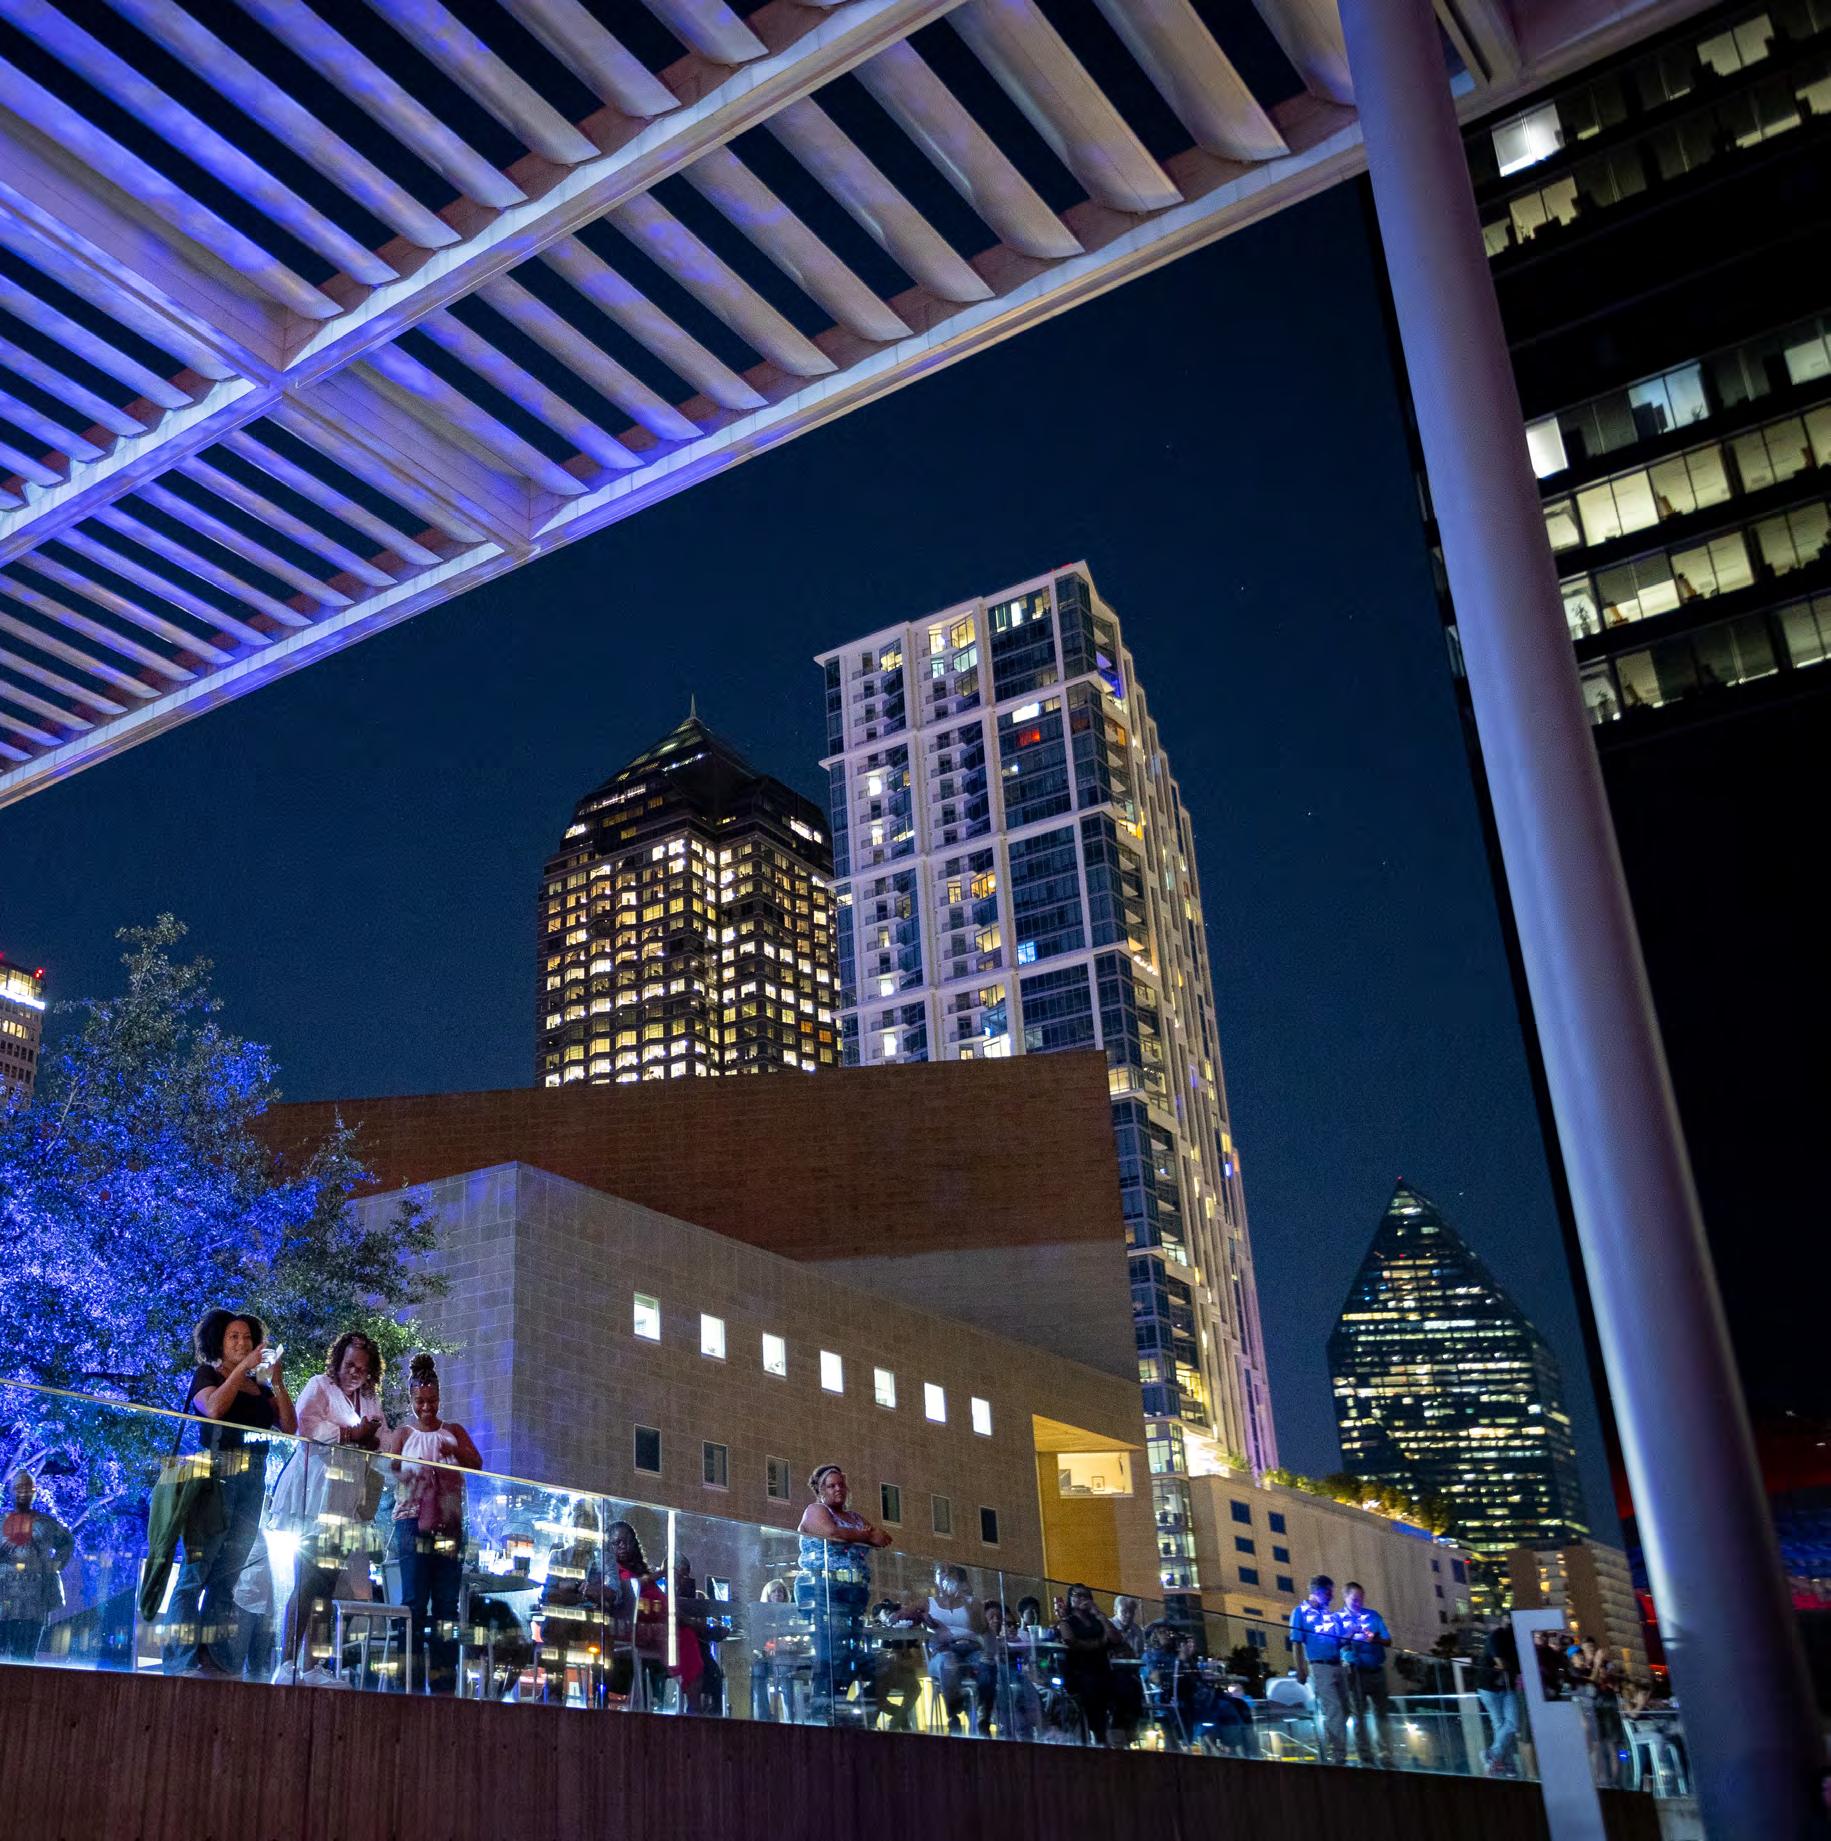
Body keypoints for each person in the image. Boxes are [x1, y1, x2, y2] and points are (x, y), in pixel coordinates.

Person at [167, 1308, 296, 1677]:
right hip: (215, 1477)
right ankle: (181, 1659)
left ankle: (214, 1658)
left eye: (247, 1338)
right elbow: (214, 1409)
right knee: (196, 1572)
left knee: (229, 1574)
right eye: (233, 1337)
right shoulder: (209, 1375)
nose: (242, 1344)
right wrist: (242, 1370)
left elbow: (289, 1426)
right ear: (219, 1342)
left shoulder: (261, 1388)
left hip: (253, 1481)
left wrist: (277, 1381)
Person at [277, 1330, 387, 1683]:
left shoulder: (369, 1400)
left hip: (345, 1505)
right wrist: (351, 1434)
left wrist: (370, 1440)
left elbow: (383, 1440)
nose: (355, 1372)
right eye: (350, 1364)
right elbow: (304, 1426)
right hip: (314, 1498)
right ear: (338, 1360)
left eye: (363, 1368)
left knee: (326, 1586)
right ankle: (286, 1663)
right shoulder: (319, 1386)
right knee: (307, 1582)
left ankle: (313, 1666)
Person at [383, 1353, 479, 1694]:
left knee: (446, 1604)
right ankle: (405, 1679)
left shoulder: (453, 1430)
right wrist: (415, 1474)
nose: (427, 1407)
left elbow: (476, 1462)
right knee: (414, 1599)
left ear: (440, 1398)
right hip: (411, 1521)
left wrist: (452, 1450)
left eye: (432, 1400)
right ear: (412, 1401)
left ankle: (443, 1680)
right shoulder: (403, 1434)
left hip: (449, 1522)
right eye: (420, 1401)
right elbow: (390, 1470)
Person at [796, 1463, 893, 1722]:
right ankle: (824, 1708)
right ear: (820, 1490)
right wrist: (864, 1536)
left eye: (841, 1484)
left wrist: (863, 1535)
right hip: (825, 1589)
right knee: (833, 1651)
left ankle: (849, 1708)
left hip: (855, 1593)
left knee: (854, 1653)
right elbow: (832, 1534)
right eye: (831, 1486)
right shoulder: (816, 1510)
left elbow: (881, 1538)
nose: (838, 1489)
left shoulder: (856, 1518)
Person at [0, 1473, 73, 1662]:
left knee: (25, 1660)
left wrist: (54, 1566)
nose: (24, 1492)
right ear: (11, 1491)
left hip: (33, 1601)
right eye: (19, 1487)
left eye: (29, 1488)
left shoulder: (46, 1523)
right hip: (3, 1598)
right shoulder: (0, 1523)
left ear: (35, 1492)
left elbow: (66, 1542)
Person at [1052, 1582, 1135, 1746]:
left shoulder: (1097, 1621)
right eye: (1077, 1595)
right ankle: (1098, 1735)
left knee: (1129, 1684)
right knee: (1093, 1687)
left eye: (1085, 1595)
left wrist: (1099, 1614)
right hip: (1080, 1671)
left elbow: (1116, 1639)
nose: (1082, 1598)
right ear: (1070, 1599)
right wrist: (1100, 1642)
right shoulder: (1067, 1622)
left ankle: (1119, 1730)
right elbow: (1072, 1642)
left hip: (1102, 1668)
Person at [920, 1562, 994, 1732]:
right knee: (948, 1662)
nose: (946, 1575)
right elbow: (904, 1614)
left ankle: (984, 1717)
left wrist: (965, 1601)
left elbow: (982, 1628)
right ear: (935, 1578)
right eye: (941, 1571)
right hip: (943, 1650)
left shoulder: (972, 1602)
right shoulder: (928, 1603)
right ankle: (954, 1717)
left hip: (971, 1649)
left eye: (950, 1572)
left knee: (988, 1664)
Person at [1288, 1573, 1350, 1765]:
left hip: (1338, 1664)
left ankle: (1336, 1747)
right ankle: (1338, 1753)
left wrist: (1351, 1635)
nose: (1332, 1596)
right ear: (1317, 1591)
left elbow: (1338, 1641)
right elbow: (1296, 1642)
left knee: (1346, 1708)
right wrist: (1300, 1669)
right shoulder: (1300, 1612)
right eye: (1328, 1592)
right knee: (1334, 1708)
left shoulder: (1328, 1614)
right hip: (1319, 1666)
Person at [1341, 1581, 1395, 1768]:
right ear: (1345, 1597)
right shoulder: (1338, 1618)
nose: (1359, 1602)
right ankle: (1365, 1756)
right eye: (1355, 1599)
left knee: (1382, 1713)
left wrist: (1375, 1638)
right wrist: (1350, 1633)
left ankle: (1385, 1753)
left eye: (1361, 1599)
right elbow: (1335, 1643)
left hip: (1376, 1670)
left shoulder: (1373, 1616)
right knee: (1359, 1714)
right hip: (1355, 1672)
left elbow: (1388, 1640)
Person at [1477, 1619, 1522, 1777]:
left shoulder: (1514, 1639)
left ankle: (1492, 1755)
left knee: (1511, 1724)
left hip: (1507, 1686)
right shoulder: (1496, 1637)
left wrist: (1507, 1666)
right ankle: (1507, 1764)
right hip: (1489, 1688)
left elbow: (1507, 1665)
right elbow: (1502, 1663)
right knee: (1501, 1726)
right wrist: (1509, 1666)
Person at [1111, 1594, 1146, 1658]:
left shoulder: (1137, 1630)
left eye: (1132, 1611)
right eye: (1124, 1611)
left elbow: (1141, 1653)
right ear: (1115, 1611)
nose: (1129, 1615)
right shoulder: (1107, 1627)